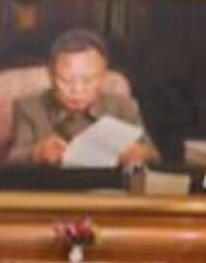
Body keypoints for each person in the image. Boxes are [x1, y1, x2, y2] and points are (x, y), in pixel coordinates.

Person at [8, 28, 158, 167]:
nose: (77, 90)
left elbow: (155, 157)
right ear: (51, 75)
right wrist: (37, 153)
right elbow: (12, 160)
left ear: (103, 77)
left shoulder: (124, 107)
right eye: (66, 80)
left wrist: (141, 153)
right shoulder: (29, 107)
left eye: (88, 80)